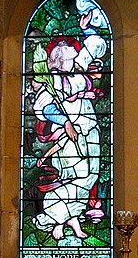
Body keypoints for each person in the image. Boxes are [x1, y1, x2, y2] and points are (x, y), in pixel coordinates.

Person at [32, 35, 105, 240]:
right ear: (59, 60)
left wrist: (92, 40)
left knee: (92, 176)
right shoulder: (53, 81)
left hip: (90, 131)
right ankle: (52, 214)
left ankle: (67, 221)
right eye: (70, 59)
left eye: (74, 58)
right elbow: (44, 107)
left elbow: (95, 47)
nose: (74, 62)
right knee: (77, 177)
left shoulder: (76, 72)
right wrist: (65, 121)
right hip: (69, 137)